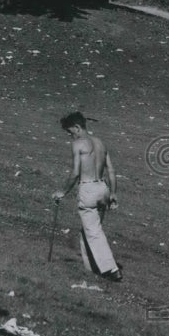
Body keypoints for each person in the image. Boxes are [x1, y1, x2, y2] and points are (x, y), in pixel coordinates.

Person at [52, 111, 122, 281]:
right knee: (88, 229)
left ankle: (111, 269)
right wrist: (113, 193)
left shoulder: (78, 144)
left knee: (94, 231)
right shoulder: (101, 143)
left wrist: (62, 191)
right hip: (103, 187)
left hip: (88, 188)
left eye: (70, 132)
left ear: (77, 127)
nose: (70, 136)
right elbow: (111, 170)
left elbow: (76, 172)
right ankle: (91, 268)